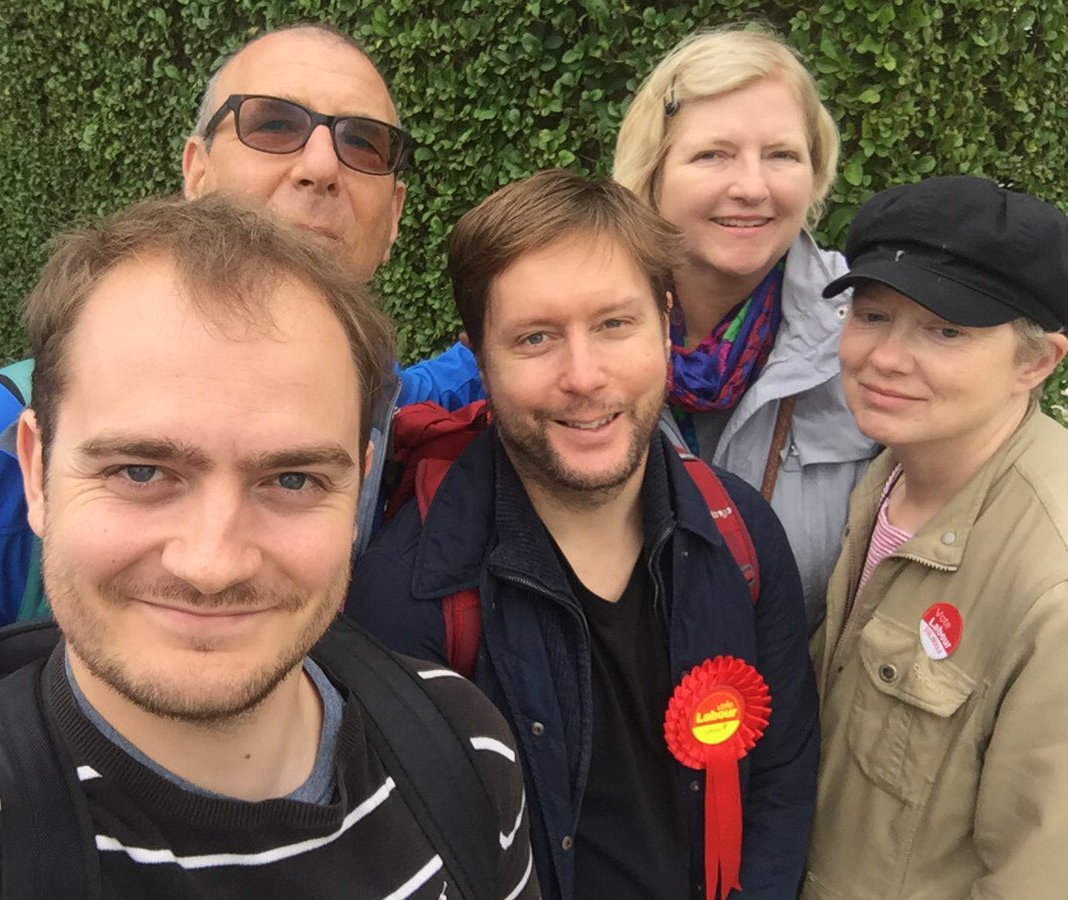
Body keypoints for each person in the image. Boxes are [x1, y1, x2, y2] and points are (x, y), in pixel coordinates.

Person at [0, 195, 536, 899]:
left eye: (292, 478)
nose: (212, 565)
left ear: (359, 492)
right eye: (141, 472)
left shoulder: (467, 746)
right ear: (35, 471)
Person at [0, 23, 482, 656]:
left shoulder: (376, 397)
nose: (322, 166)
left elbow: (437, 381)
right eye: (272, 124)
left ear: (395, 217)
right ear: (198, 172)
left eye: (367, 144)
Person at [346, 170, 818, 900]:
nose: (584, 376)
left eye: (614, 324)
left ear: (664, 322)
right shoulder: (410, 595)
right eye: (535, 338)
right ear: (480, 358)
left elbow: (781, 777)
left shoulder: (742, 536)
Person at [804, 176, 1068, 898]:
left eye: (946, 330)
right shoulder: (888, 473)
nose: (886, 357)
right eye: (873, 313)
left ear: (1035, 361)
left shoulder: (1052, 586)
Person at [612, 27, 878, 626]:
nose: (753, 188)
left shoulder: (873, 327)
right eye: (713, 154)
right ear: (652, 172)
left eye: (782, 155)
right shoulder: (582, 322)